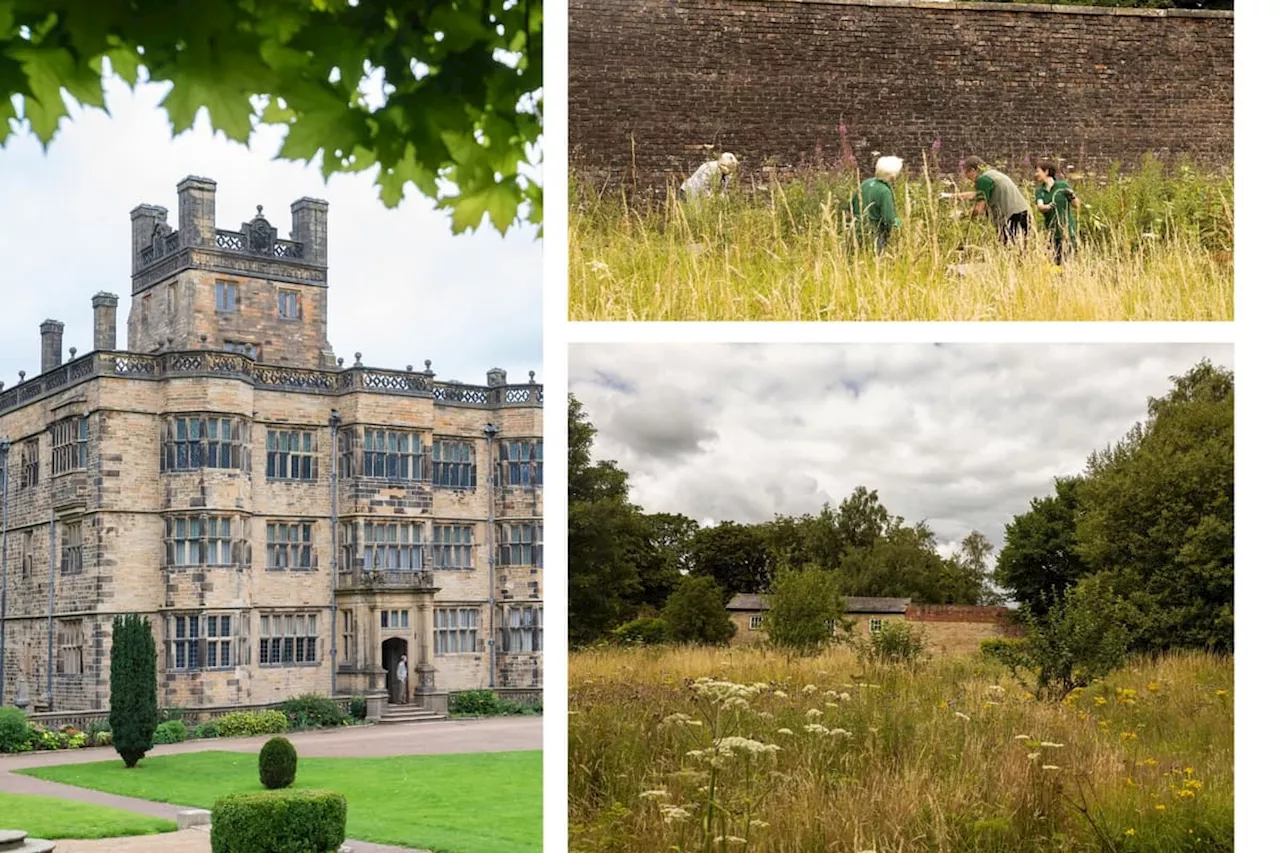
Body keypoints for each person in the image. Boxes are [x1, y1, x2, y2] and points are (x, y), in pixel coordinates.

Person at [948, 156, 1031, 246]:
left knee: (1008, 248)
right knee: (1022, 250)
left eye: (966, 173)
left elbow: (979, 209)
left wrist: (961, 215)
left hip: (1011, 217)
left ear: (972, 170)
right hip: (1024, 212)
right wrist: (953, 196)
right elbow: (978, 194)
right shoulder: (992, 174)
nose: (967, 177)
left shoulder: (982, 180)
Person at [841, 155, 903, 255]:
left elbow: (849, 208)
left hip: (855, 232)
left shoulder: (866, 183)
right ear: (892, 175)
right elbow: (888, 219)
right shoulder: (885, 191)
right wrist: (893, 228)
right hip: (873, 235)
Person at [1034, 159, 1080, 266]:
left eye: (1038, 171)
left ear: (1046, 172)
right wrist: (1048, 207)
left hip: (1067, 232)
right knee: (1054, 263)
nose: (1036, 174)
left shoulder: (1063, 186)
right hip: (1052, 233)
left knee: (1068, 262)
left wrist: (1072, 195)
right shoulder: (1040, 191)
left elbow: (1076, 205)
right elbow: (1040, 206)